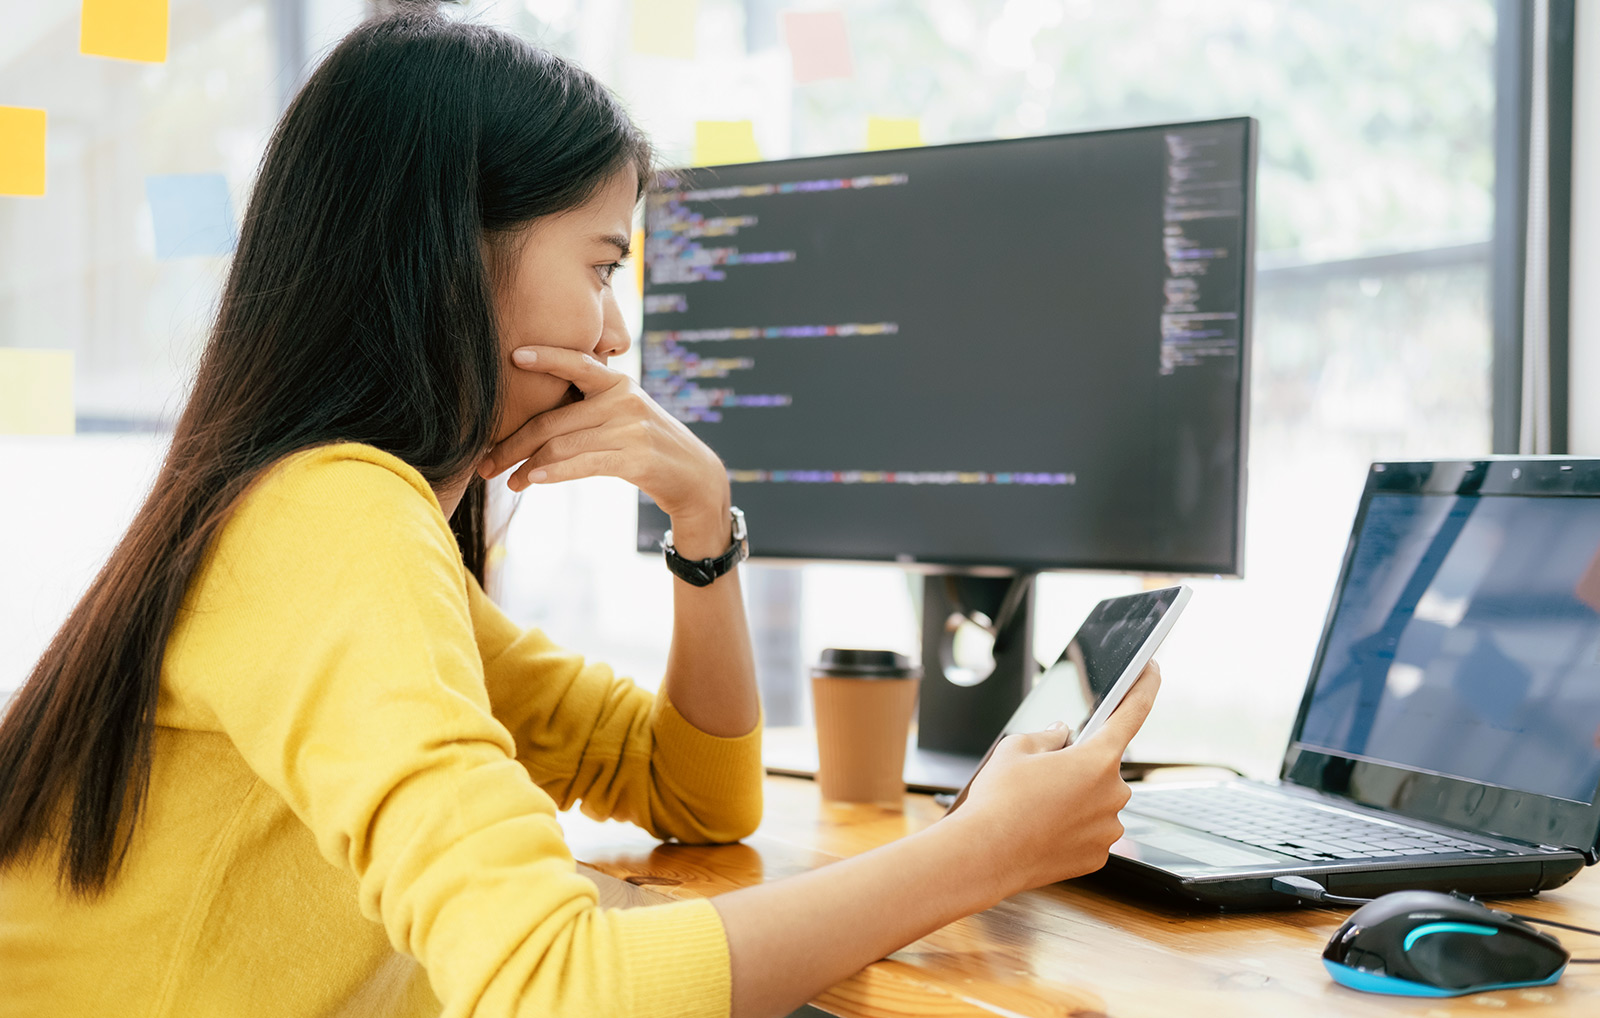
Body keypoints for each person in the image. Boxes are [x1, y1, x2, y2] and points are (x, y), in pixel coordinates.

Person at [0, 8, 1159, 1018]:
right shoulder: (329, 526)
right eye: (603, 265)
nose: (615, 335)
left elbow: (697, 794)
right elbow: (557, 989)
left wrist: (703, 521)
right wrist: (982, 849)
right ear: (453, 255)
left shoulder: (321, 522)